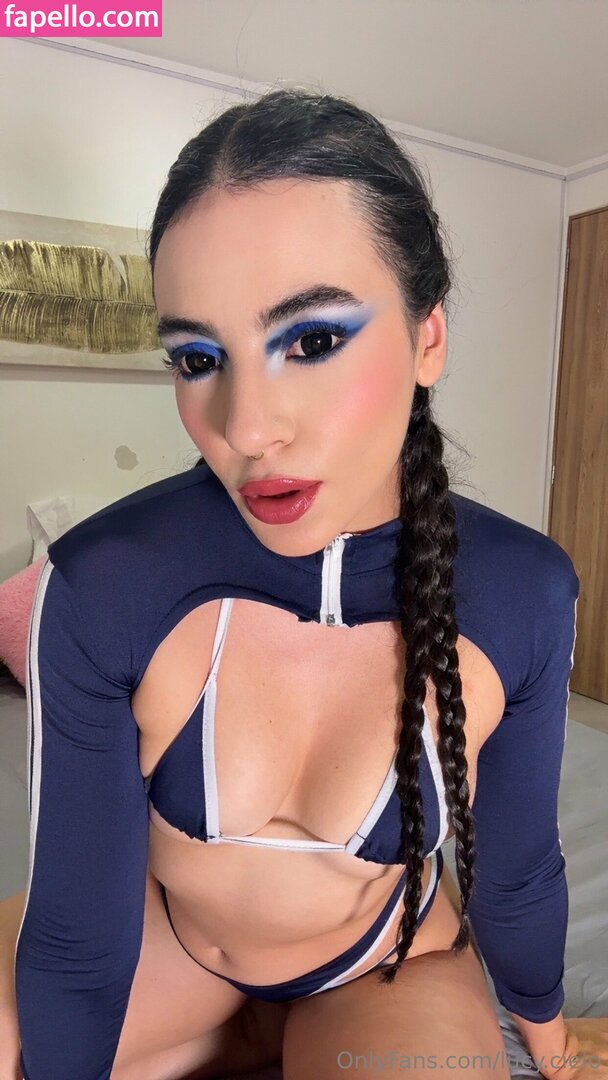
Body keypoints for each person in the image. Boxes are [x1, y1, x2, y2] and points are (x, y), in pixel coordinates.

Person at [2, 87, 607, 1080]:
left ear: (428, 338)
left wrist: (552, 1049)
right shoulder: (106, 584)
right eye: (199, 357)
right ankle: (233, 1032)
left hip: (380, 965)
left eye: (312, 340)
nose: (245, 429)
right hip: (169, 943)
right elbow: (78, 927)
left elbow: (516, 871)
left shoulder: (517, 594)